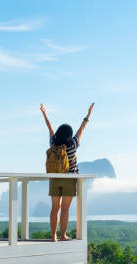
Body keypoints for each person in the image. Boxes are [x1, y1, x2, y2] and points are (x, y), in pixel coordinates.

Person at [40, 102, 94, 242]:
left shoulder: (53, 143)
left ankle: (53, 236)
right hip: (69, 179)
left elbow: (50, 128)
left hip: (54, 178)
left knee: (54, 208)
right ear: (69, 134)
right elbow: (81, 129)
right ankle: (63, 235)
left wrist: (44, 113)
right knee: (65, 209)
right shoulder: (72, 145)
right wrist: (88, 115)